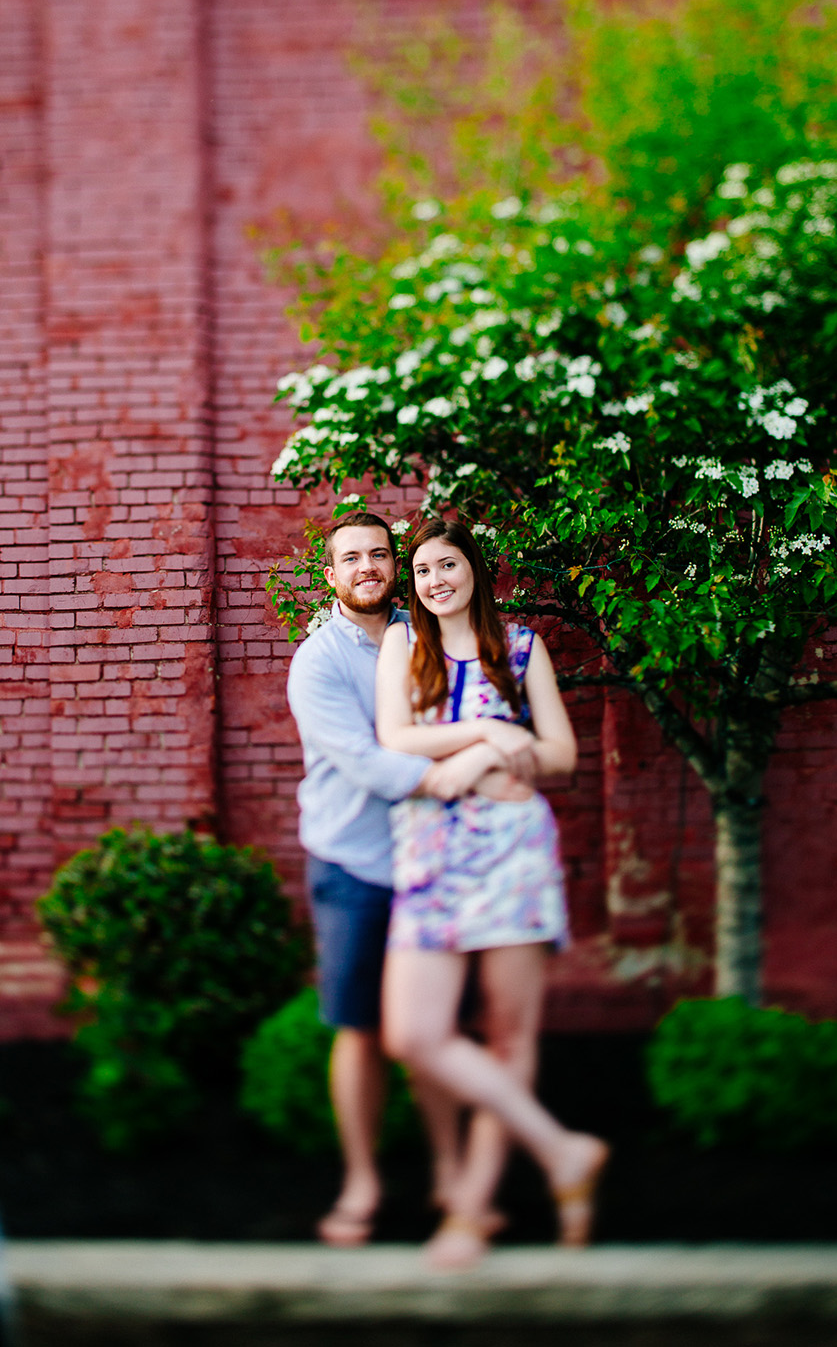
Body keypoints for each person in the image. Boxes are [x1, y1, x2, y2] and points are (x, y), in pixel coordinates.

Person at [286, 510, 527, 1248]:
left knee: (435, 1031)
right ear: (330, 575)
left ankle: (451, 1176)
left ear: (396, 565)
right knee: (360, 1029)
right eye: (350, 558)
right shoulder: (318, 661)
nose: (367, 567)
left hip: (433, 860)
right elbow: (367, 763)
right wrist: (464, 771)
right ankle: (362, 1180)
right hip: (355, 867)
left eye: (379, 556)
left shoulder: (426, 634)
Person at [375, 518, 609, 1270]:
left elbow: (562, 756)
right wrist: (486, 738)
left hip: (512, 850)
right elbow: (393, 737)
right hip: (433, 853)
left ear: (475, 568)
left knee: (511, 1038)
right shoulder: (401, 646)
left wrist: (489, 756)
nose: (434, 580)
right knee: (412, 1034)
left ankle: (471, 1213)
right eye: (422, 571)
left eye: (448, 565)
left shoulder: (524, 647)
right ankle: (562, 1150)